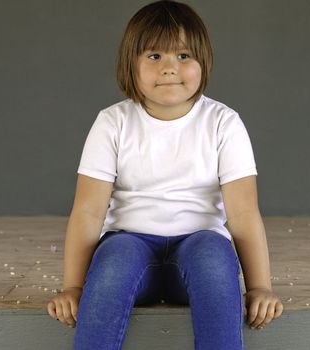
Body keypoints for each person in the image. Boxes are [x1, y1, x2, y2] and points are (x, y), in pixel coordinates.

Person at [46, 1, 283, 349]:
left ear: (204, 63)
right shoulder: (113, 123)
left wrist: (260, 286)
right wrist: (73, 287)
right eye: (154, 56)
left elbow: (244, 213)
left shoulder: (223, 123)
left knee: (214, 260)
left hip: (198, 248)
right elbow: (88, 211)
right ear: (131, 64)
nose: (170, 68)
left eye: (184, 56)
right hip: (131, 245)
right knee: (113, 260)